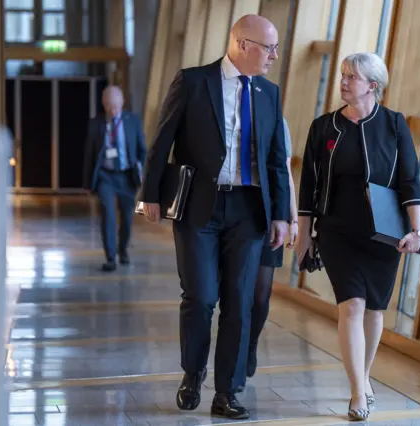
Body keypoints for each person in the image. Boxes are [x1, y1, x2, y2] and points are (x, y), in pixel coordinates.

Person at [140, 15, 290, 420]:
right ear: (242, 44)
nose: (274, 56)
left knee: (239, 303)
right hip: (198, 207)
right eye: (268, 47)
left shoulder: (269, 94)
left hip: (249, 210)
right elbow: (162, 140)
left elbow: (276, 159)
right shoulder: (193, 82)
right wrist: (149, 195)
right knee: (201, 297)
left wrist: (283, 216)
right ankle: (193, 372)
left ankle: (228, 392)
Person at [295, 52, 420, 421]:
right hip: (337, 230)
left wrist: (417, 231)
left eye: (353, 77)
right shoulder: (323, 127)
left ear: (373, 86)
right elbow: (309, 187)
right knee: (351, 305)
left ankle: (364, 377)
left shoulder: (395, 125)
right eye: (343, 75)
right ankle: (357, 393)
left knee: (374, 309)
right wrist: (304, 238)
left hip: (384, 235)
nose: (344, 82)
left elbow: (410, 181)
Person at [246, 117, 298, 381]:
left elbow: (285, 171)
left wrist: (293, 218)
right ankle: (234, 346)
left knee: (260, 295)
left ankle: (250, 343)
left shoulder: (276, 118)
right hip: (234, 211)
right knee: (233, 291)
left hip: (269, 215)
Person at [83, 85, 146, 272]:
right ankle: (110, 258)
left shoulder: (132, 121)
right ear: (104, 105)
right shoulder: (96, 124)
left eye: (116, 106)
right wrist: (87, 183)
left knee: (127, 217)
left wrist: (139, 168)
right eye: (109, 106)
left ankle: (123, 250)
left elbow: (142, 149)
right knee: (108, 216)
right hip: (106, 176)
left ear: (122, 103)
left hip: (127, 176)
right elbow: (89, 154)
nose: (113, 110)